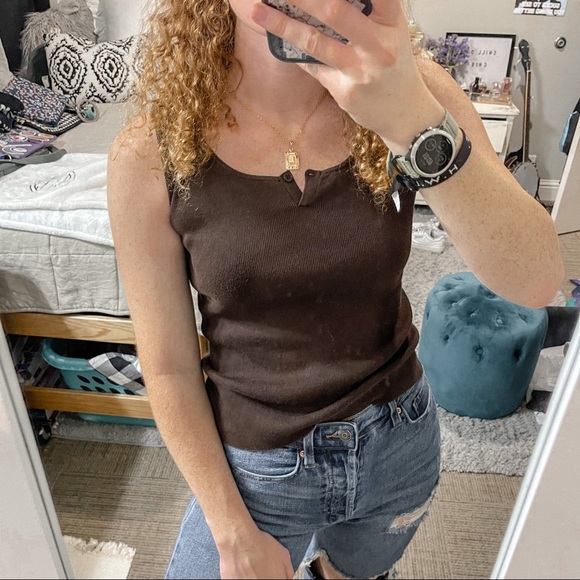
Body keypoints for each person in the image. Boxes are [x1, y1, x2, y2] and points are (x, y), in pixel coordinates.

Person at [107, 0, 564, 578]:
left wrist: (412, 123)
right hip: (256, 467)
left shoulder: (412, 89)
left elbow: (536, 278)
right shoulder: (151, 152)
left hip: (398, 443)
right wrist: (230, 529)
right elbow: (169, 368)